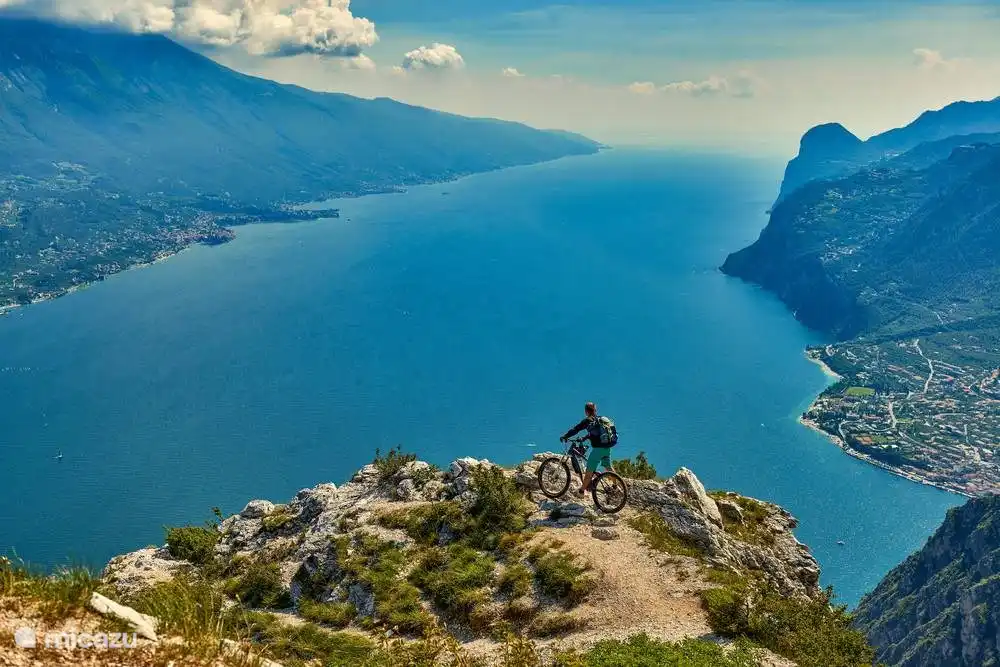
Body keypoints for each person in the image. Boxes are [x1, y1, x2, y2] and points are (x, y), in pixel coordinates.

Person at [560, 401, 612, 497]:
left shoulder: (588, 421)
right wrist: (584, 438)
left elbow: (575, 429)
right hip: (607, 447)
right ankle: (616, 486)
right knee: (608, 467)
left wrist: (565, 436)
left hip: (598, 449)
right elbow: (594, 434)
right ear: (595, 410)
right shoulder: (600, 420)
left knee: (589, 471)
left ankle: (581, 492)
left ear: (586, 411)